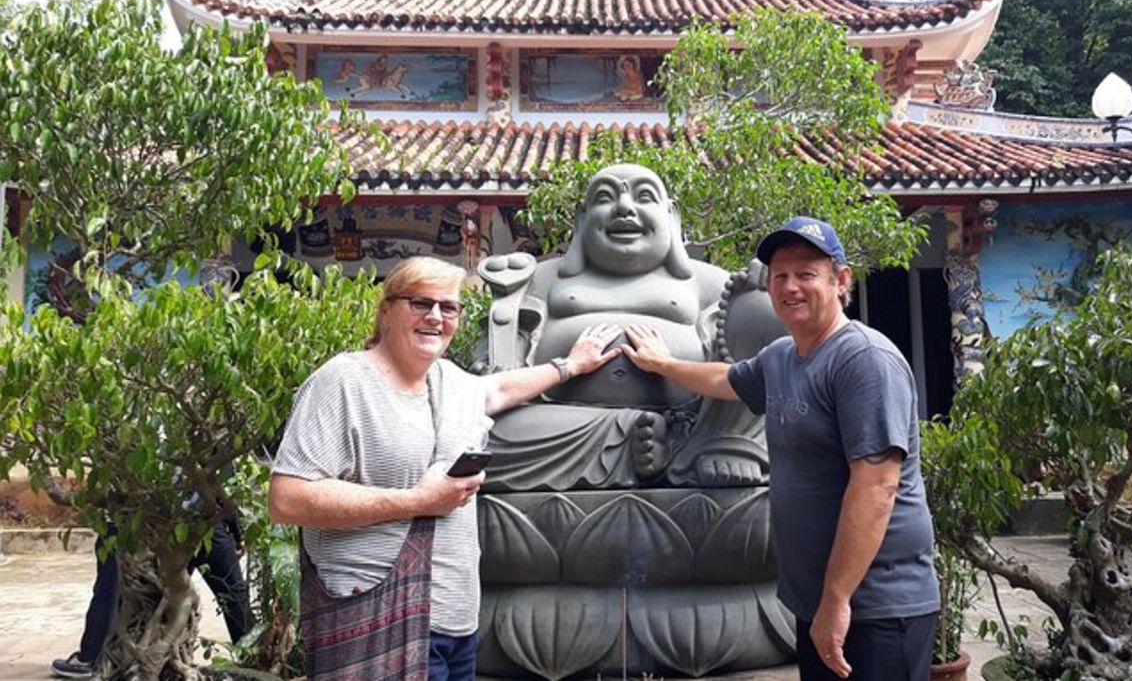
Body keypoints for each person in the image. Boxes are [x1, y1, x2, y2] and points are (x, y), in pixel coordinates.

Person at [268, 256, 620, 681]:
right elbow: (287, 498)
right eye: (420, 303)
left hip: (454, 618)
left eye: (448, 307)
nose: (435, 317)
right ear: (386, 311)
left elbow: (499, 388)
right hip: (374, 612)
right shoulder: (344, 382)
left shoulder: (452, 383)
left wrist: (570, 366)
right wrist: (416, 501)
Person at [622, 216, 940, 681]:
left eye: (806, 274)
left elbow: (877, 488)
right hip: (817, 600)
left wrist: (836, 602)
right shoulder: (782, 358)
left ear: (841, 281)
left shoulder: (863, 360)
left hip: (875, 605)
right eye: (780, 276)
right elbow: (724, 380)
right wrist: (662, 363)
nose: (790, 287)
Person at [51, 516, 252, 679]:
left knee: (123, 589)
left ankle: (92, 658)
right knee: (229, 593)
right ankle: (255, 659)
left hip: (148, 518)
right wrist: (234, 528)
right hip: (202, 518)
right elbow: (221, 477)